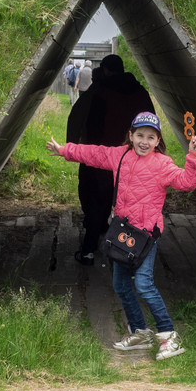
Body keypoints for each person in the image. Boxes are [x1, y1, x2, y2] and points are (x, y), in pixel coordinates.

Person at [48, 111, 196, 360]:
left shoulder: (163, 164)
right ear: (130, 136)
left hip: (146, 235)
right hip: (123, 233)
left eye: (150, 137)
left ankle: (168, 336)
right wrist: (65, 150)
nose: (144, 141)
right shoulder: (120, 155)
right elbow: (94, 154)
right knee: (120, 284)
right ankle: (140, 332)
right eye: (139, 135)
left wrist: (194, 157)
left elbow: (187, 182)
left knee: (143, 284)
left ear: (157, 141)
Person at [66, 54, 153, 265]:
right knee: (129, 205)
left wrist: (72, 146)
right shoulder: (140, 92)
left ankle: (88, 249)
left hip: (100, 157)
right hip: (133, 158)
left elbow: (76, 116)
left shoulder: (99, 90)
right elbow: (152, 122)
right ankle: (129, 255)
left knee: (94, 200)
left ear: (105, 70)